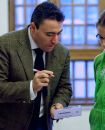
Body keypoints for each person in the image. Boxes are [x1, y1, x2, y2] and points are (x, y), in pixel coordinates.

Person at [0, 1, 72, 130]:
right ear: (33, 27)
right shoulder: (6, 44)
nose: (55, 40)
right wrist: (31, 87)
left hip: (44, 124)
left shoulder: (62, 52)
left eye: (59, 33)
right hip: (11, 125)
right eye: (49, 34)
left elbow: (64, 87)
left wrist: (59, 104)